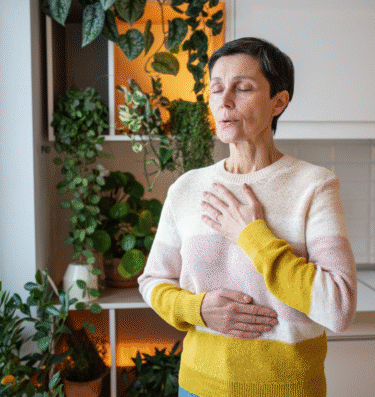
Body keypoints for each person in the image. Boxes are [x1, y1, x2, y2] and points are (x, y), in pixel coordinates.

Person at [137, 37, 357, 397]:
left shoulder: (314, 186)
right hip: (198, 387)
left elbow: (338, 307)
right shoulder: (186, 188)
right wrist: (199, 309)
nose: (224, 102)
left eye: (243, 88)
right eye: (217, 89)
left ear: (278, 102)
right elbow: (152, 281)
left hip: (286, 389)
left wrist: (251, 235)